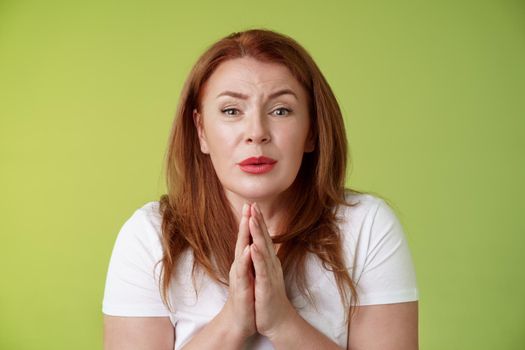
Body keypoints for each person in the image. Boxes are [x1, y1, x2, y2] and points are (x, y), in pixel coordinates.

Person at [102, 28, 419, 350]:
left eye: (281, 110)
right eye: (231, 111)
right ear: (201, 131)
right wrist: (232, 323)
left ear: (312, 131)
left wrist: (283, 322)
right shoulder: (149, 236)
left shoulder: (365, 225)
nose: (256, 133)